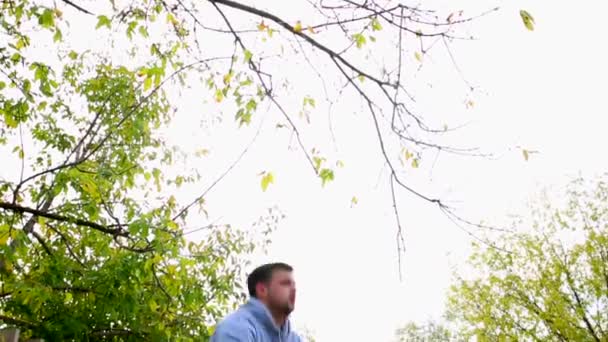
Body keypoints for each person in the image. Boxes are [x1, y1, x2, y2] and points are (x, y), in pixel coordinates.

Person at [210, 262, 302, 341]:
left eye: (294, 285)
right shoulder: (235, 328)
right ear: (262, 290)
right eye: (285, 284)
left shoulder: (294, 339)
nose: (293, 289)